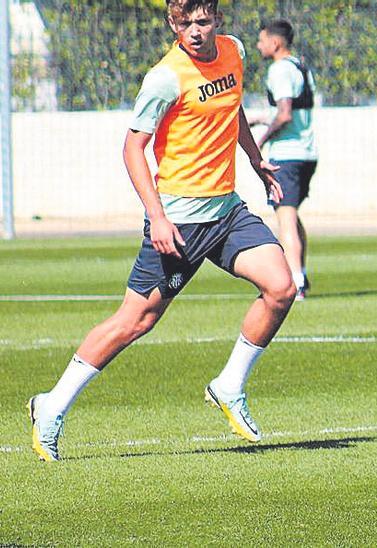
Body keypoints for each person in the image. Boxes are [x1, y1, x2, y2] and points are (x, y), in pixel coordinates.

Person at [27, 0, 296, 462]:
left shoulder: (233, 52)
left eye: (203, 20)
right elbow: (133, 149)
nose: (194, 30)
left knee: (281, 287)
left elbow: (231, 113)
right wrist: (157, 216)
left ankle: (229, 385)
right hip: (179, 219)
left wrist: (254, 160)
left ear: (218, 20)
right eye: (184, 22)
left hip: (226, 210)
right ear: (173, 23)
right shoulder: (164, 77)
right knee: (136, 320)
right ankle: (51, 406)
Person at [254, 19, 318, 300]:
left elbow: (285, 114)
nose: (259, 45)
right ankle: (301, 271)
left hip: (287, 155)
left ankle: (296, 282)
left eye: (262, 40)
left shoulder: (279, 69)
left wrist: (260, 140)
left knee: (285, 216)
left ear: (275, 42)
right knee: (292, 215)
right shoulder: (300, 66)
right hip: (307, 152)